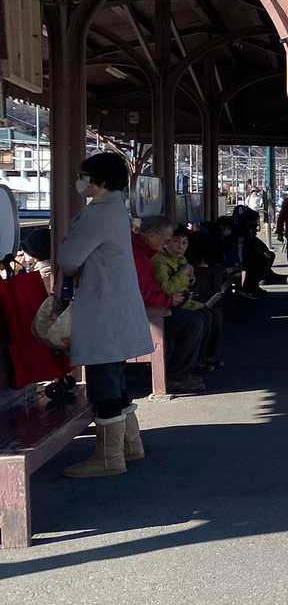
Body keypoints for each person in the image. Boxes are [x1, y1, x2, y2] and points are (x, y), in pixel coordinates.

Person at [56, 152, 155, 478]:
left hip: (102, 307)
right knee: (115, 376)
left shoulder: (97, 214)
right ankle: (130, 445)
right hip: (117, 305)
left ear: (99, 181)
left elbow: (69, 259)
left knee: (103, 380)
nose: (79, 181)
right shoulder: (116, 211)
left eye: (83, 176)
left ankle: (109, 459)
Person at [135, 216, 209, 393]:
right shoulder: (145, 258)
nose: (167, 243)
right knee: (193, 322)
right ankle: (176, 375)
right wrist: (169, 300)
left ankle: (192, 366)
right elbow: (147, 292)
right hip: (145, 313)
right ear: (152, 236)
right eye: (167, 240)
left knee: (203, 315)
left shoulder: (148, 253)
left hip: (156, 306)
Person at [152, 227, 222, 372]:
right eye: (176, 242)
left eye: (184, 243)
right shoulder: (159, 262)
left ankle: (202, 357)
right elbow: (167, 289)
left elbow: (187, 281)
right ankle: (180, 368)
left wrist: (191, 278)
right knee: (198, 320)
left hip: (184, 301)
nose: (181, 246)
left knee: (213, 314)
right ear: (166, 243)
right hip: (166, 307)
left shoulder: (181, 259)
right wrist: (183, 272)